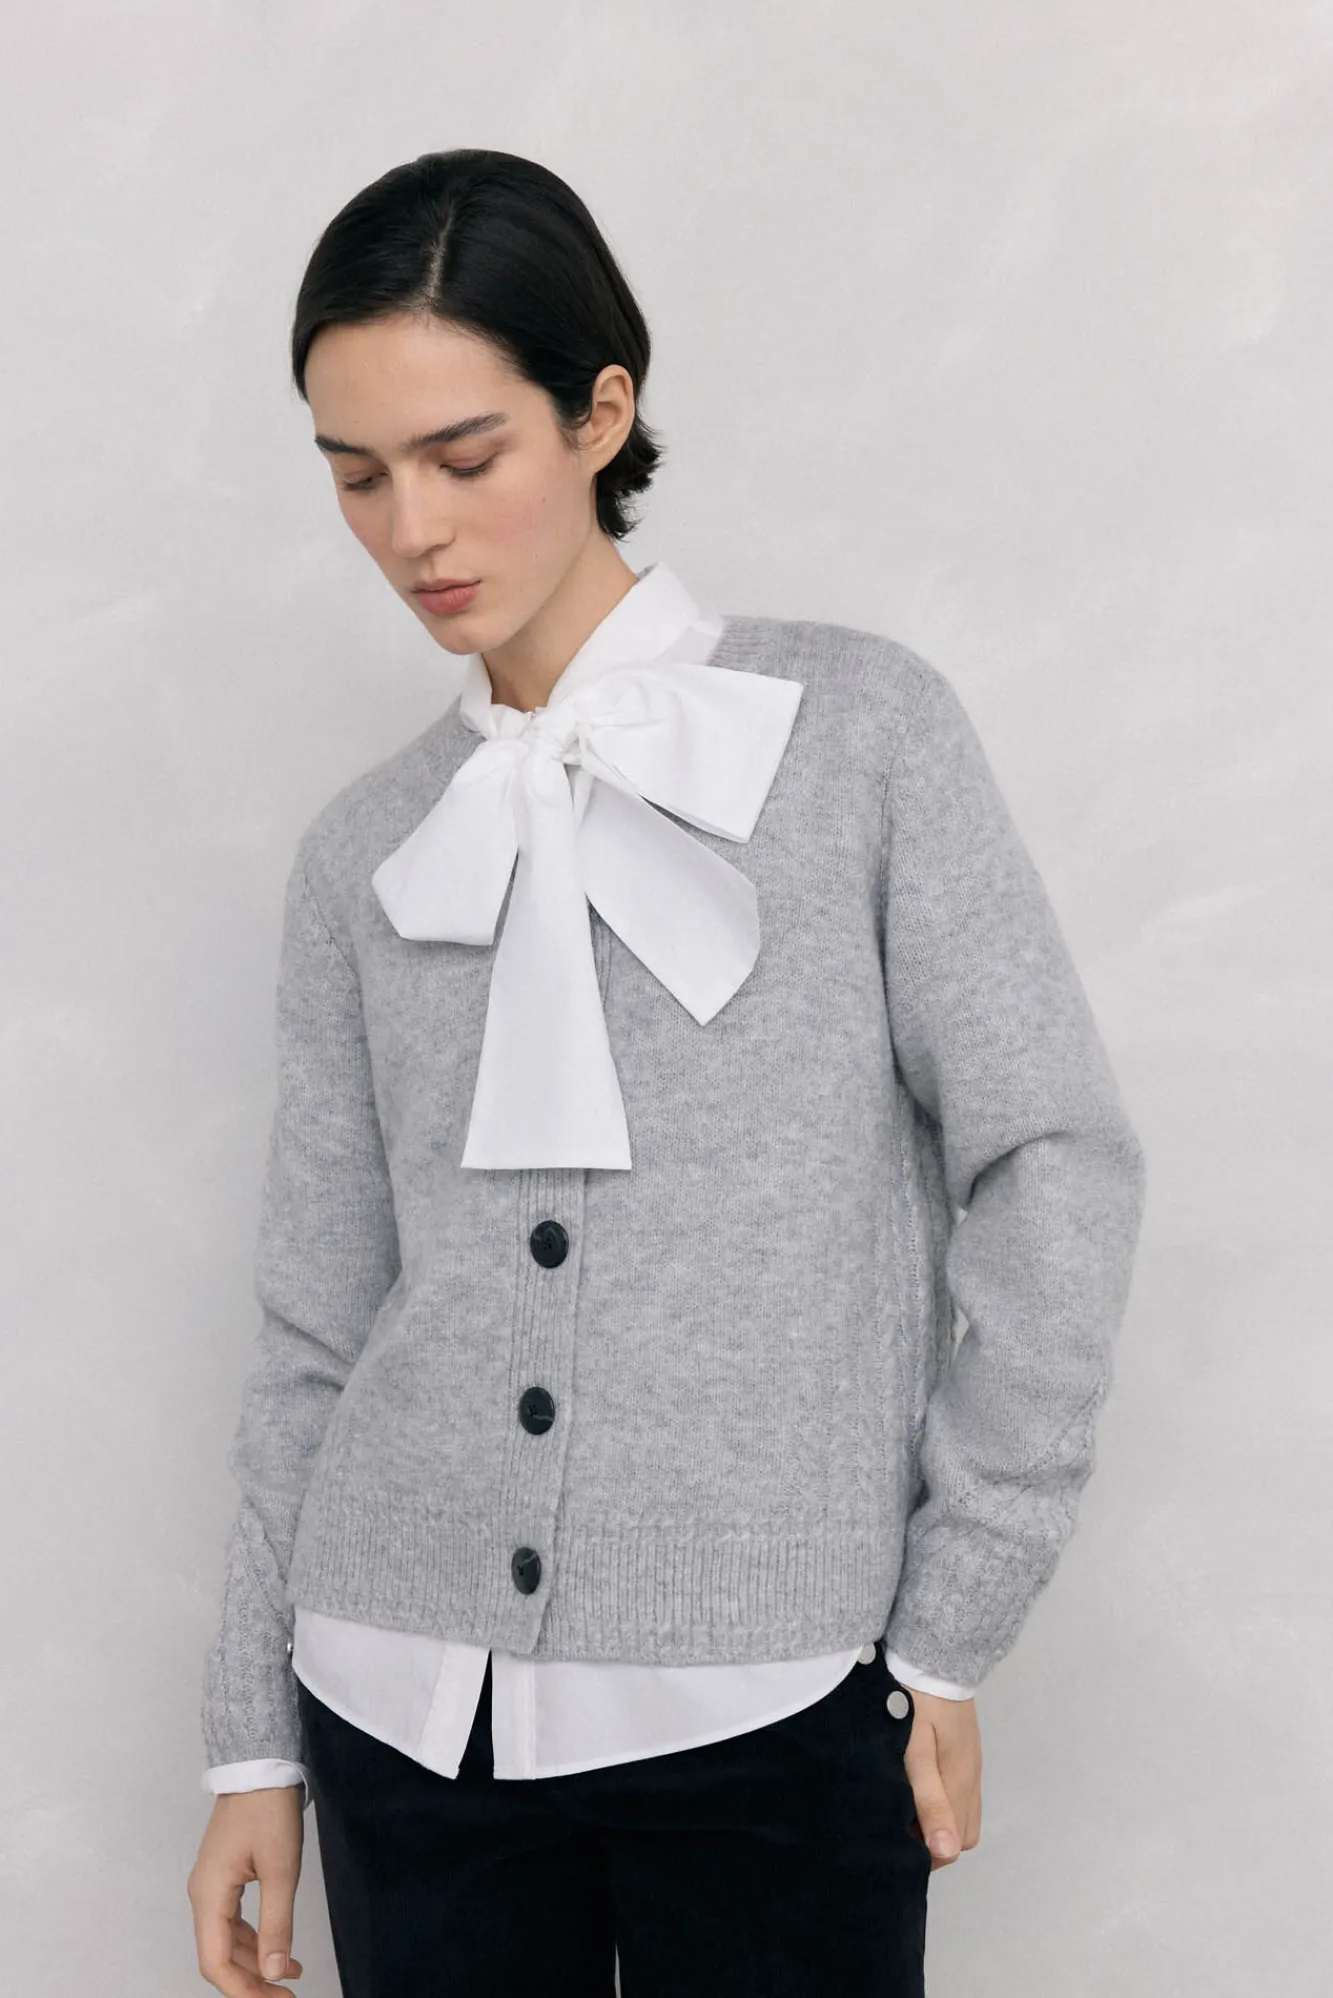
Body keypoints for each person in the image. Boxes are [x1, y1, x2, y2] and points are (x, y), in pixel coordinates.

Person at [187, 148, 1147, 1997]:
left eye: (464, 455)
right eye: (357, 474)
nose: (411, 529)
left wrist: (954, 1614)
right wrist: (254, 1746)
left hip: (778, 1702)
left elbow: (1054, 1160)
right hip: (399, 1708)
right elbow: (316, 1326)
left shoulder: (860, 739)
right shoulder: (365, 852)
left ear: (602, 409)